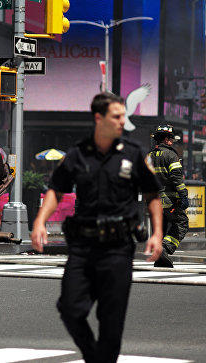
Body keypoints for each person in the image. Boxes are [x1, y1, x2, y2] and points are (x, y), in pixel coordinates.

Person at [31, 92, 163, 363]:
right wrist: (40, 221)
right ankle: (94, 358)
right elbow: (57, 188)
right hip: (83, 248)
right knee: (69, 309)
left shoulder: (133, 153)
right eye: (116, 116)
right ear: (98, 118)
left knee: (111, 322)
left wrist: (157, 233)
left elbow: (153, 195)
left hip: (117, 249)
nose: (122, 122)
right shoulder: (78, 154)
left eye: (123, 116)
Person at [149, 124, 189, 268]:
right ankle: (164, 250)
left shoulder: (149, 156)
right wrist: (183, 195)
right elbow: (177, 179)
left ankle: (160, 257)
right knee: (181, 223)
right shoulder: (171, 155)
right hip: (169, 199)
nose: (172, 141)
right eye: (171, 139)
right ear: (166, 139)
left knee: (162, 226)